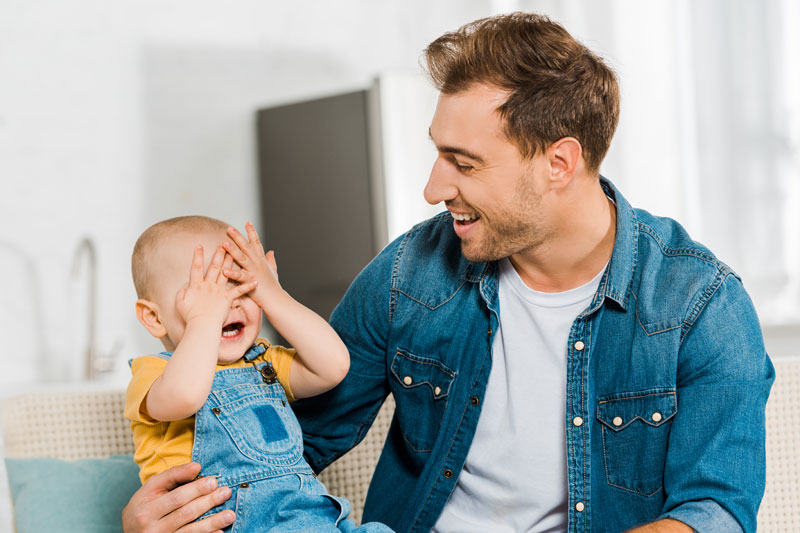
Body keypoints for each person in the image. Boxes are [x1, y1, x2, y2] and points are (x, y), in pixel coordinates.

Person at [123, 13, 774, 533]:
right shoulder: (410, 273)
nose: (434, 187)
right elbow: (292, 436)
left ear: (559, 162)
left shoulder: (700, 305)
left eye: (462, 162)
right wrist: (157, 515)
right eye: (438, 153)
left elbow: (714, 512)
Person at [126, 215, 393, 532]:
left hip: (308, 519)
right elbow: (186, 395)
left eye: (239, 287)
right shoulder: (155, 372)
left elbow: (334, 366)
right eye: (206, 294)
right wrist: (204, 321)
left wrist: (272, 293)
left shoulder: (263, 362)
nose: (229, 304)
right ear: (154, 318)